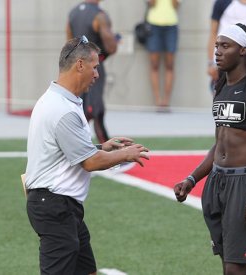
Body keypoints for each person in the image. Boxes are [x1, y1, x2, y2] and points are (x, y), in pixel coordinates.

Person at [24, 36, 149, 275]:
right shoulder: (61, 108)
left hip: (62, 206)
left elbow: (70, 152)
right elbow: (89, 162)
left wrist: (103, 147)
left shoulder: (60, 101)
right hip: (54, 205)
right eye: (95, 67)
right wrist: (125, 154)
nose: (97, 75)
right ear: (80, 65)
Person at [174, 23, 246, 275]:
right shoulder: (220, 88)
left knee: (234, 268)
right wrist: (192, 179)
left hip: (244, 183)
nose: (218, 52)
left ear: (243, 50)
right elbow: (219, 143)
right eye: (216, 46)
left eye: (225, 46)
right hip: (217, 181)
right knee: (226, 262)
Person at [66, 0, 119, 144]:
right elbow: (112, 47)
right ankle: (107, 150)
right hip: (94, 65)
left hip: (77, 66)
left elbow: (70, 43)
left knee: (81, 107)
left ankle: (78, 146)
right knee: (96, 109)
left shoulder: (73, 13)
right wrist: (114, 41)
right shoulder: (100, 16)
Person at [207, 0, 246, 94]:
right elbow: (213, 33)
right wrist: (211, 63)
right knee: (222, 102)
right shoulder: (222, 3)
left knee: (245, 103)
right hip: (222, 65)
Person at [145, 0, 181, 110]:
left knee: (170, 64)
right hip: (154, 24)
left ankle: (166, 100)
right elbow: (151, 3)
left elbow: (176, 5)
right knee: (154, 64)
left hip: (171, 25)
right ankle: (158, 100)